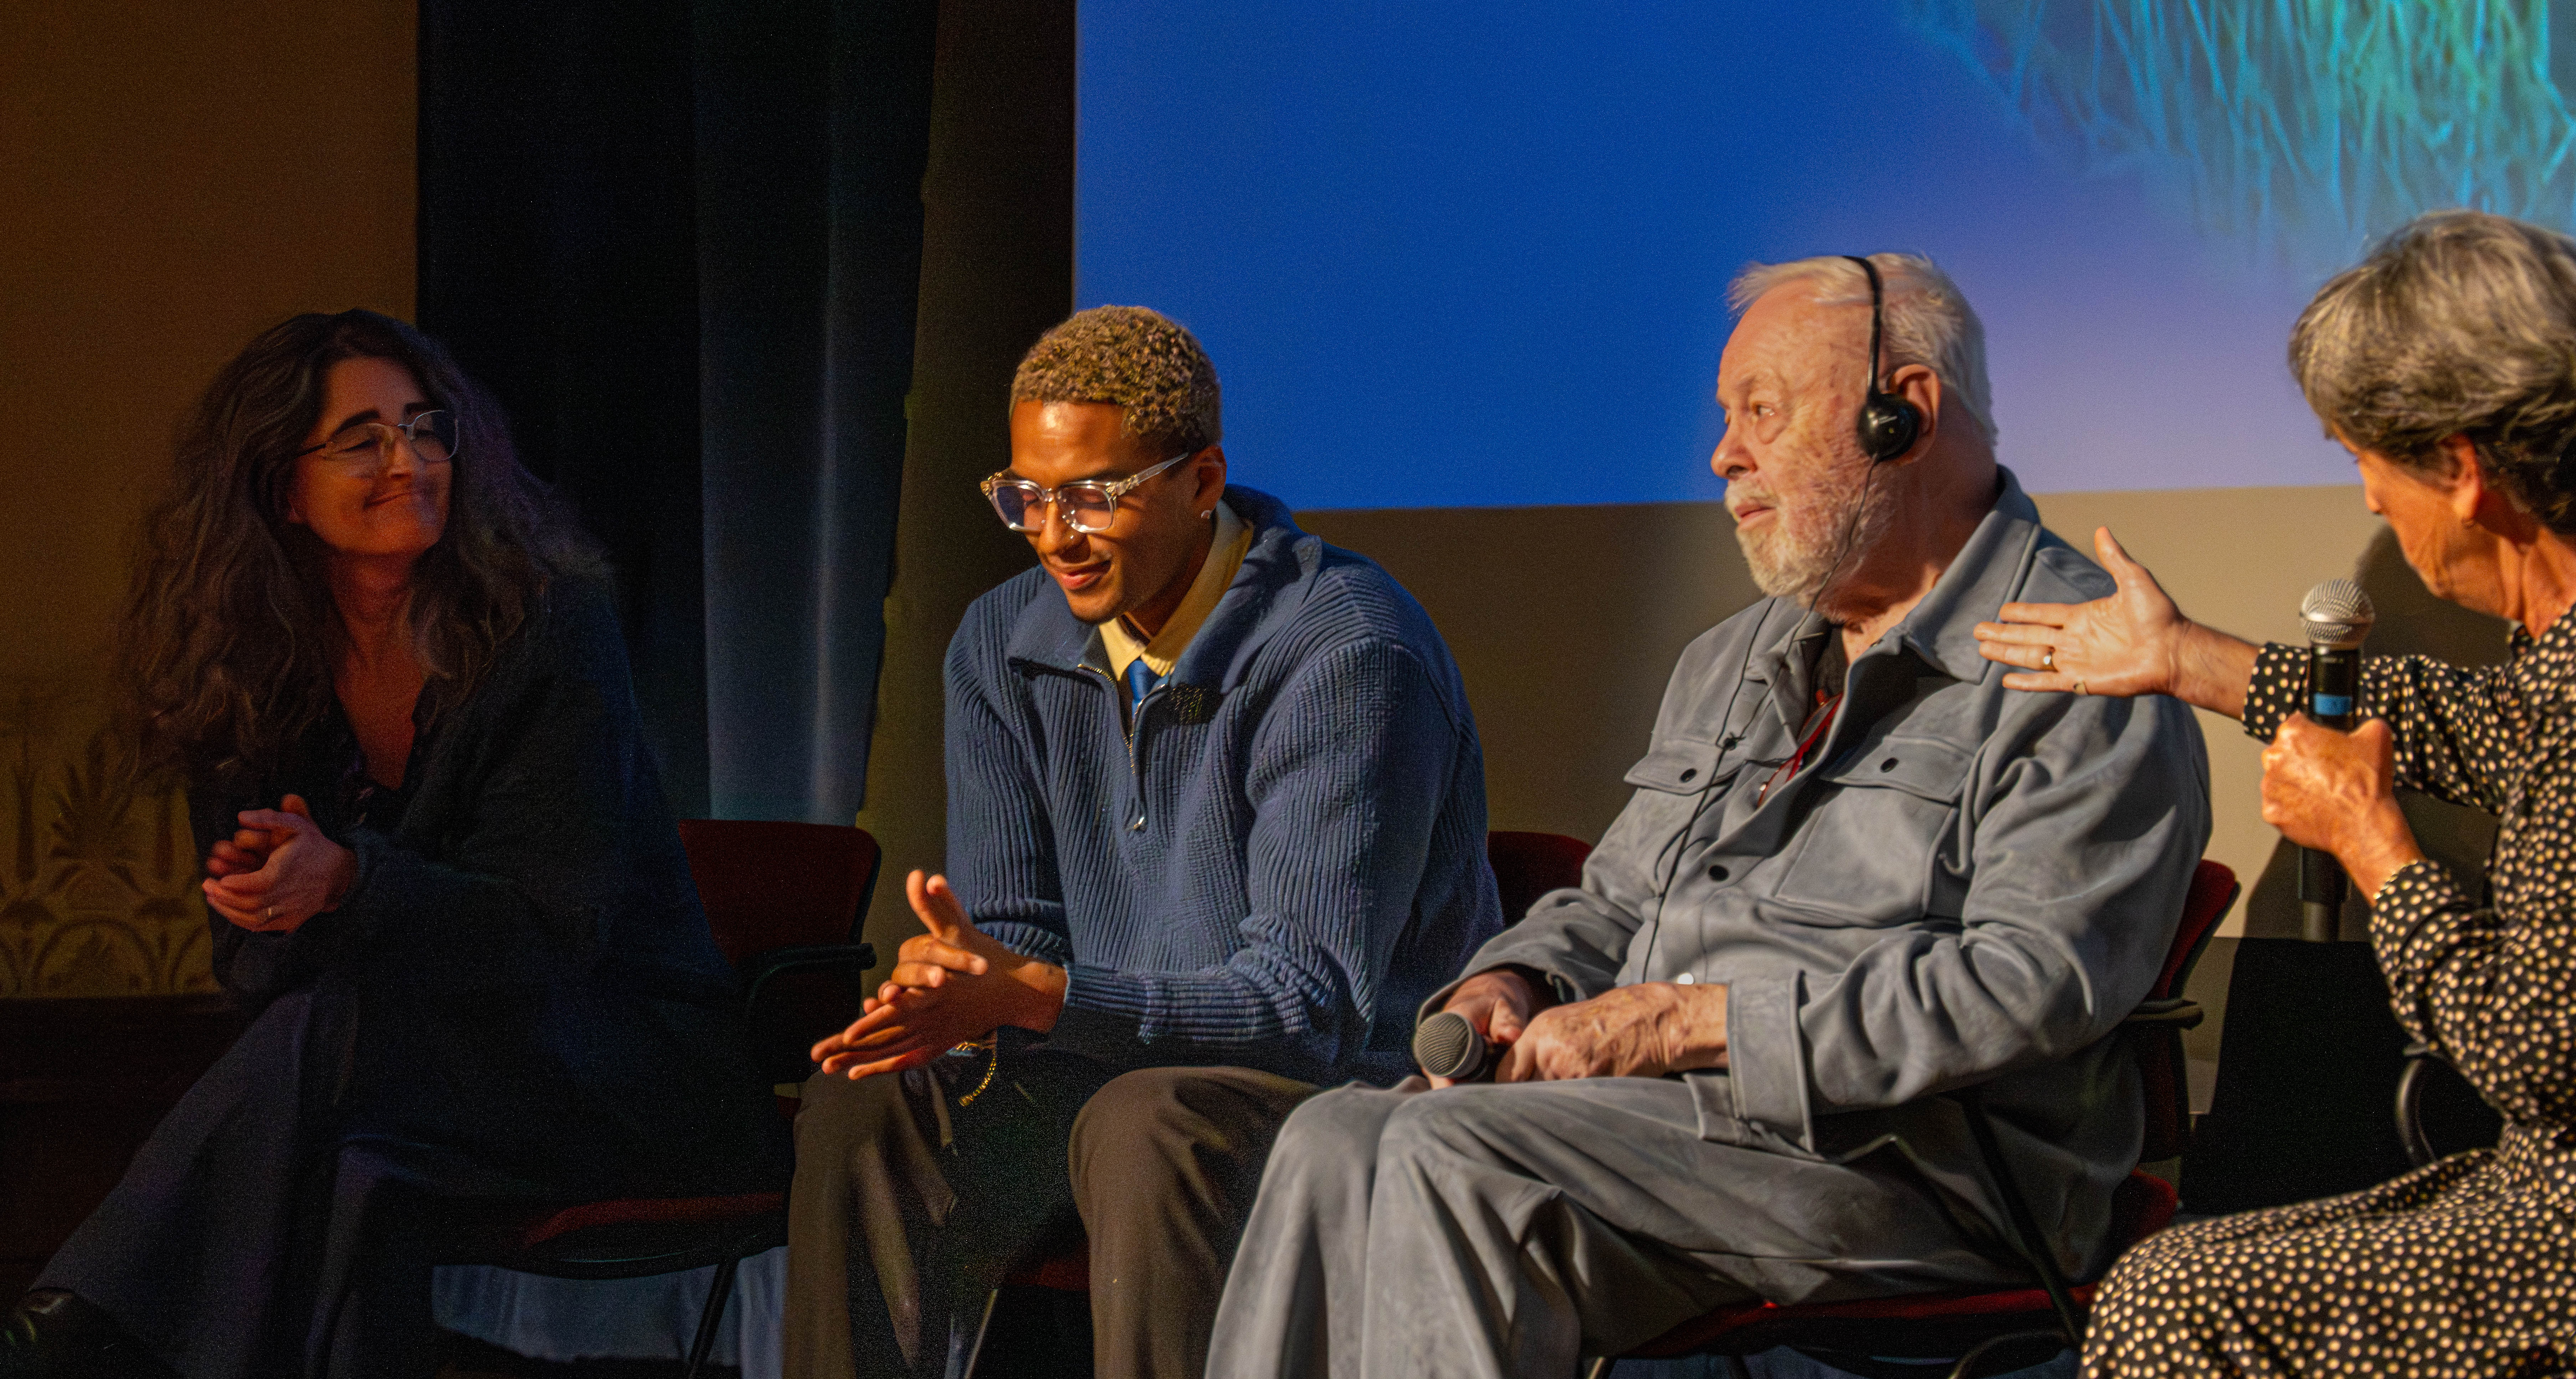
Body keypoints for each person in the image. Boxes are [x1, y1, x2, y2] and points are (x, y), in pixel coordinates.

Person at [1206, 255, 2212, 1379]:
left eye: (1763, 413)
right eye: (1726, 417)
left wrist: (1689, 1023)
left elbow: (2032, 984)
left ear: (1904, 414)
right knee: (1336, 1138)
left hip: (1908, 1173)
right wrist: (1520, 982)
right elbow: (1618, 899)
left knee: (1451, 1159)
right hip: (1656, 1136)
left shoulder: (2078, 660)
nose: (1724, 455)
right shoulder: (1731, 659)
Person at [0, 311, 780, 1379]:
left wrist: (350, 884)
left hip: (617, 1070)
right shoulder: (248, 669)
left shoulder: (550, 632)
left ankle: (72, 1325)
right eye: (362, 440)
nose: (408, 461)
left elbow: (556, 936)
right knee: (357, 1174)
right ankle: (77, 1334)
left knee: (330, 1061)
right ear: (283, 488)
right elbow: (255, 975)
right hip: (391, 1087)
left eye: (425, 428)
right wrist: (270, 905)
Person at [782, 305, 1501, 1379]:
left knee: (1143, 1123)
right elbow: (1020, 929)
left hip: (1342, 1098)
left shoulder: (1347, 650)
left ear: (1202, 481)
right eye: (1026, 495)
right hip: (1103, 1073)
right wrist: (962, 984)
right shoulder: (1002, 640)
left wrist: (1033, 995)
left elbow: (1306, 1010)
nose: (1050, 534)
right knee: (873, 1098)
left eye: (1092, 496)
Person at [1974, 210, 2576, 1375]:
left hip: (2552, 1232)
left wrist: (2373, 847)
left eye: (2363, 455)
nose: (2363, 501)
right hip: (2534, 1191)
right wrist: (2186, 656)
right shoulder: (2556, 658)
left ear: (2456, 467)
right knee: (2178, 1270)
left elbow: (2532, 1057)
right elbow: (2494, 729)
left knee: (2169, 1304)